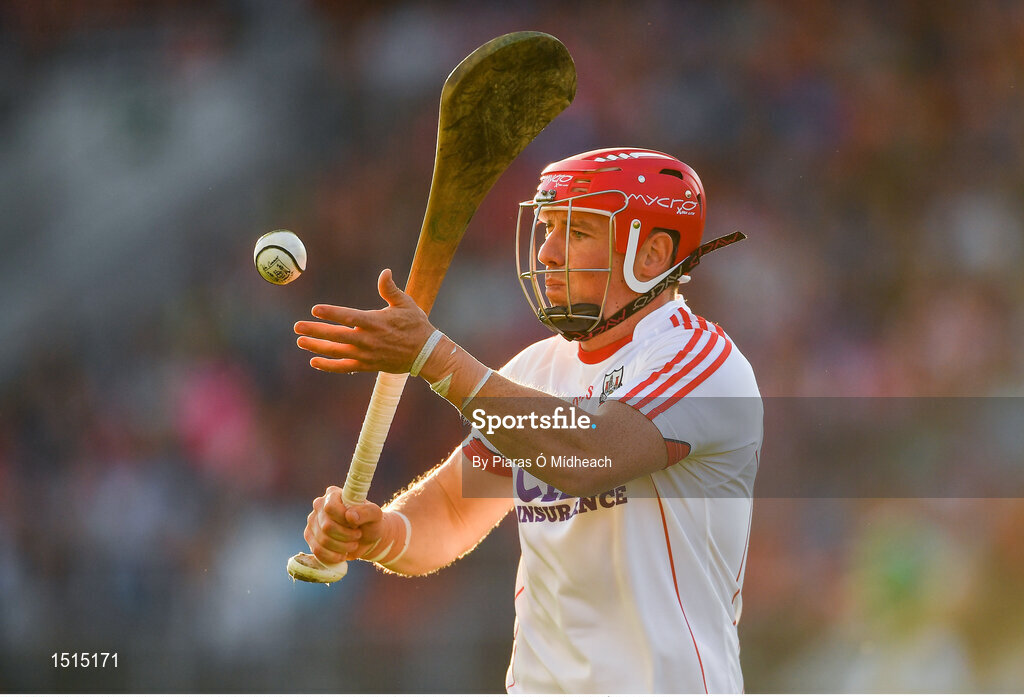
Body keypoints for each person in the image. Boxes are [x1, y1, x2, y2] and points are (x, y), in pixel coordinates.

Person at [296, 148, 763, 693]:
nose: (546, 251)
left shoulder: (699, 362)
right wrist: (379, 534)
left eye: (578, 232)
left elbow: (589, 455)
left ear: (652, 253)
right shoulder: (536, 369)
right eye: (547, 227)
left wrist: (434, 358)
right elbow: (451, 509)